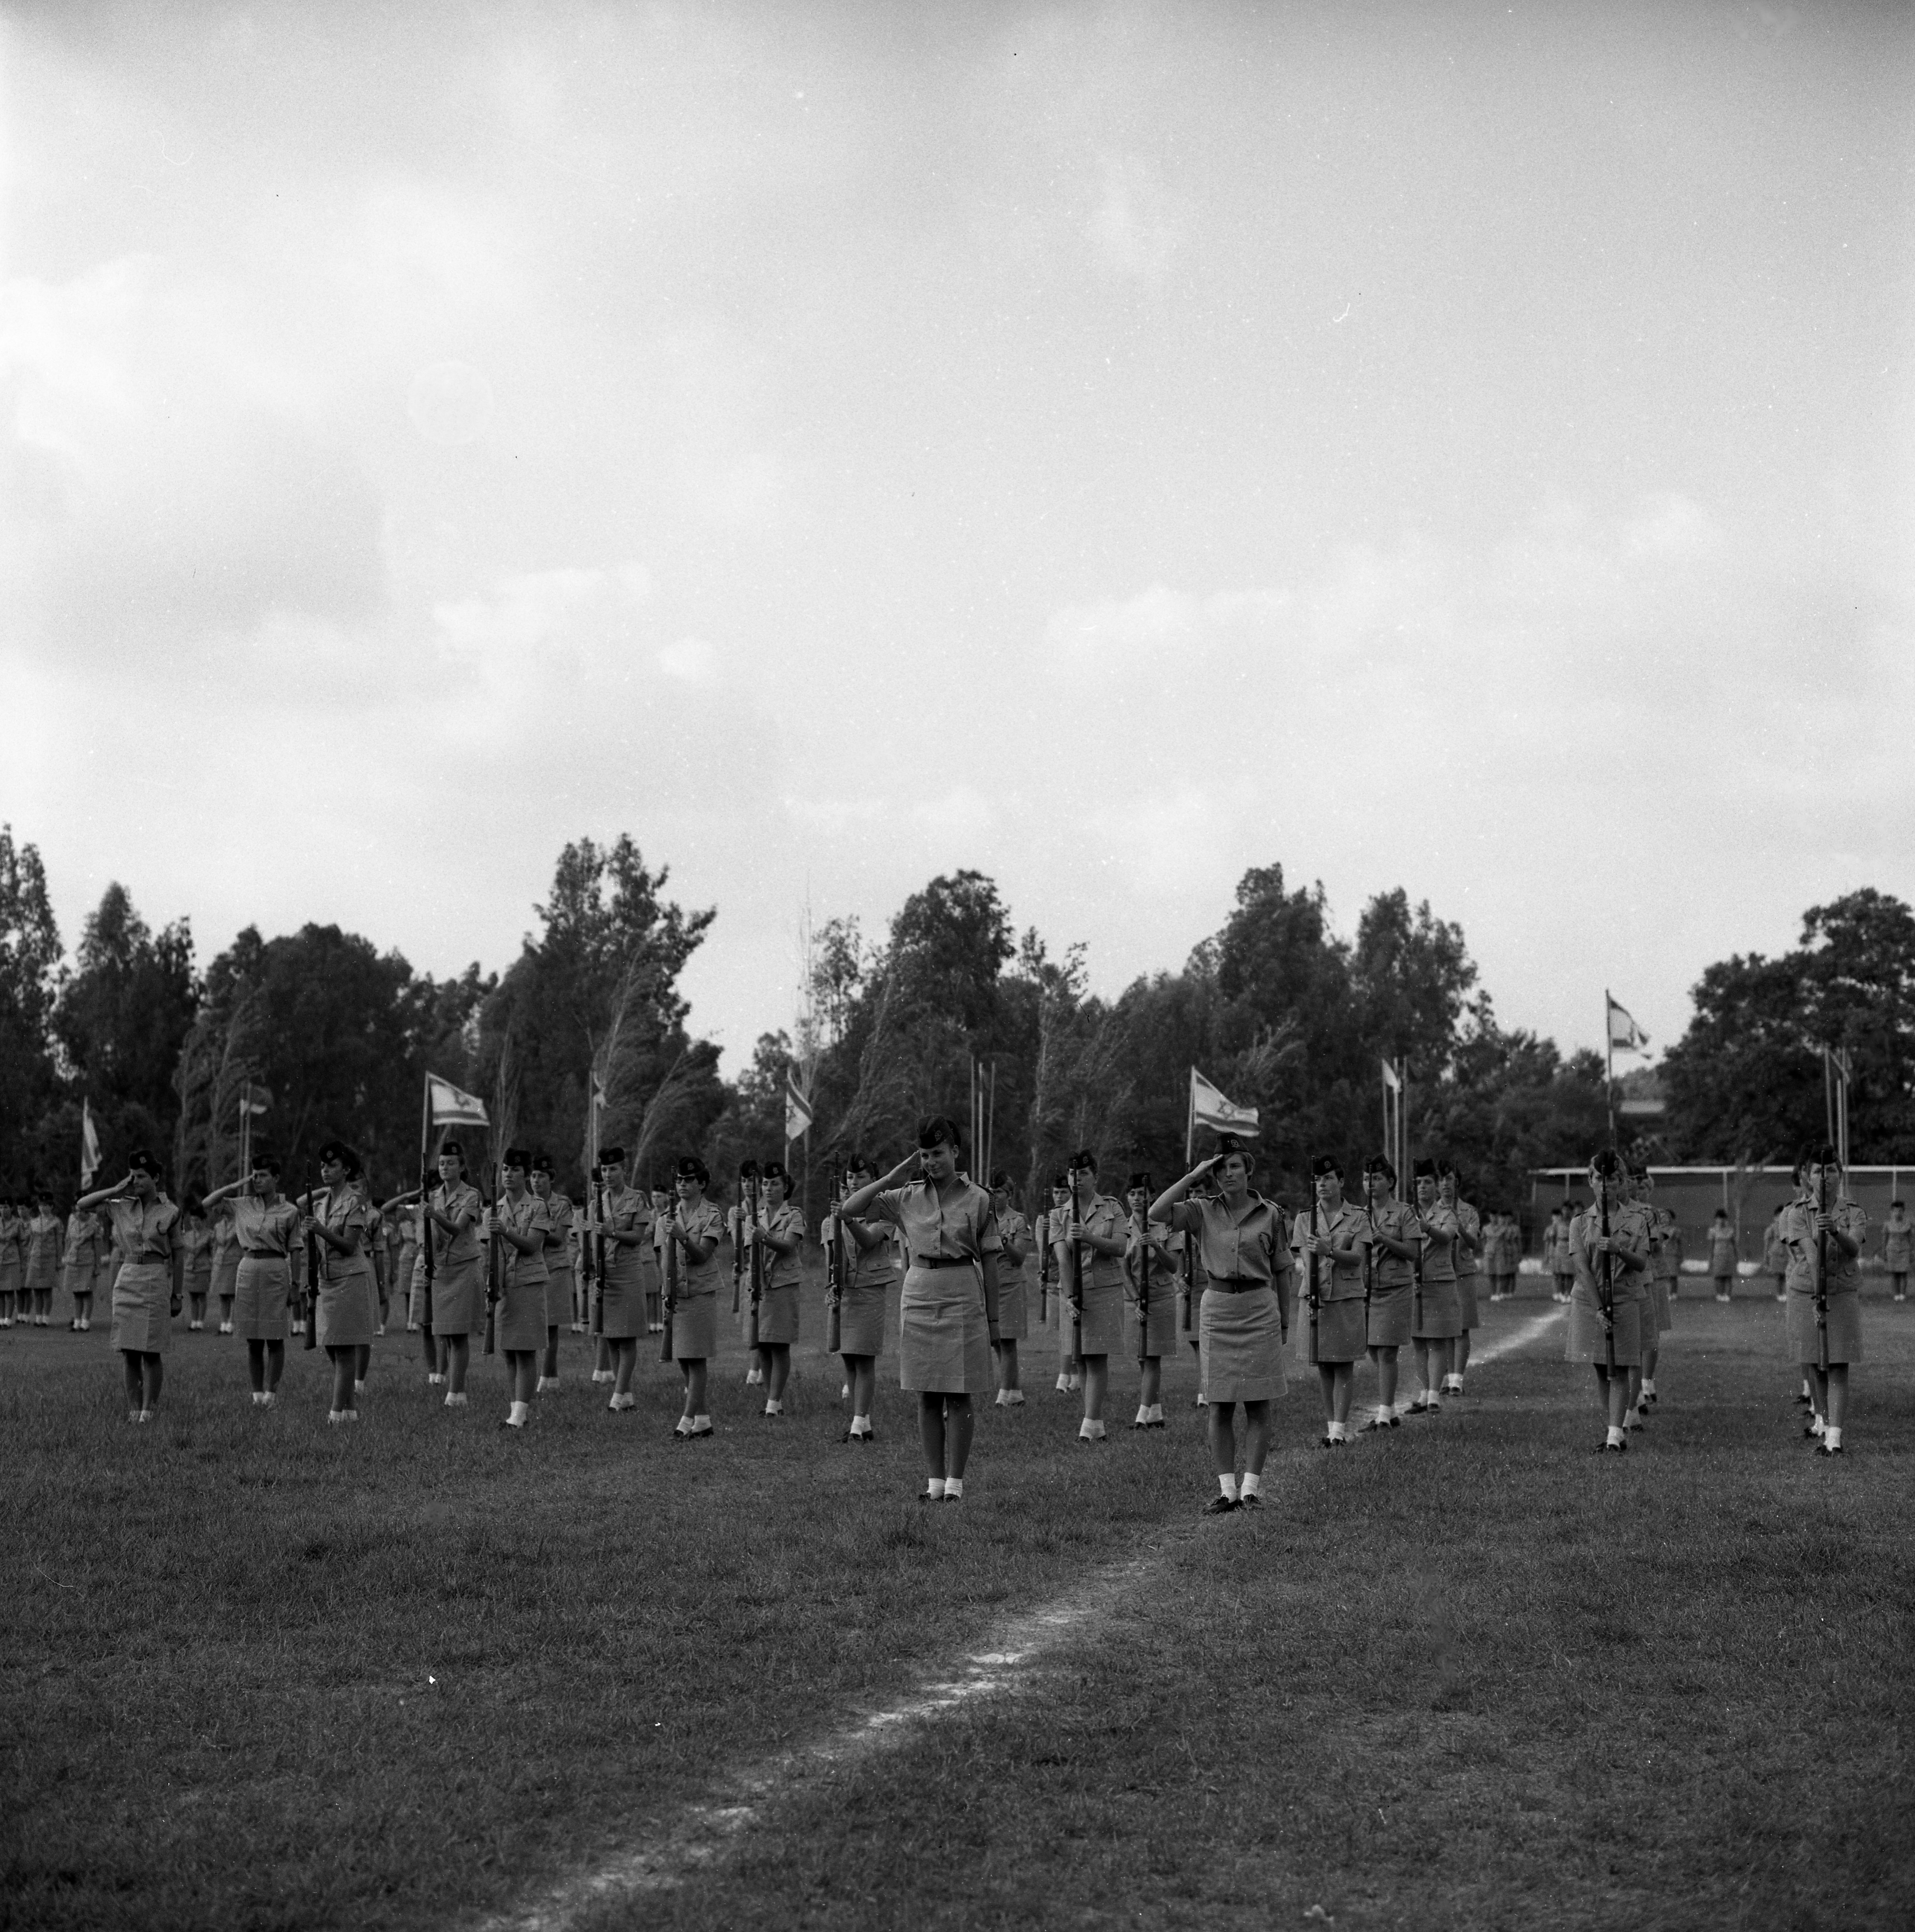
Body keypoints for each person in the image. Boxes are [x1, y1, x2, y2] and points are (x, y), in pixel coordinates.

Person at [840, 1117, 1001, 1502]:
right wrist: (892, 1175)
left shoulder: (978, 1198)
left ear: (956, 1152)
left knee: (959, 1393)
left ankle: (955, 1485)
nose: (932, 1162)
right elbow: (850, 1209)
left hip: (962, 1291)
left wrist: (994, 1321)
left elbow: (992, 1263)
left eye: (938, 1153)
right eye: (925, 1155)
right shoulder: (906, 1197)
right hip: (919, 1294)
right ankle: (933, 1483)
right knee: (926, 1394)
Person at [1151, 1136, 1292, 1515]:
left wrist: (1284, 1321)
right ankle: (1226, 1491)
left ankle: (1251, 1490)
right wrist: (1193, 1173)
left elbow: (1282, 1270)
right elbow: (1156, 1212)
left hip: (1259, 1308)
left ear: (1248, 1170)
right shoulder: (1200, 1210)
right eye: (1219, 1168)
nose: (1227, 1174)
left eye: (1234, 1166)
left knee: (1259, 1404)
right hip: (1217, 1309)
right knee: (1220, 1406)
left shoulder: (1272, 1214)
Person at [75, 1152, 182, 1422]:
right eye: (133, 1175)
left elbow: (179, 1255)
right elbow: (82, 1205)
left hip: (156, 1277)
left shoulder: (170, 1211)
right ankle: (134, 1410)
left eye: (142, 1176)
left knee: (151, 1350)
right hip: (128, 1277)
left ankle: (149, 1410)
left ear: (156, 1178)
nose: (136, 1180)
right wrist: (115, 1188)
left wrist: (177, 1293)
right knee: (130, 1350)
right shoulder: (121, 1205)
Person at [1780, 1144, 1866, 1454]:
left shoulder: (1853, 1211)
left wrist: (1835, 1232)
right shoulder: (1796, 1212)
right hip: (1807, 1292)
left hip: (1842, 1293)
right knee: (1816, 1365)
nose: (1824, 1177)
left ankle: (1834, 1438)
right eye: (1818, 1171)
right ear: (1807, 1176)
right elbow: (1810, 1252)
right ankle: (1825, 1422)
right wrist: (1817, 1294)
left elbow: (1853, 1248)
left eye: (1831, 1170)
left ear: (1840, 1175)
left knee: (1839, 1364)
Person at [1566, 1150, 1650, 1453]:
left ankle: (1616, 1433)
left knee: (1623, 1365)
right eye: (1599, 1178)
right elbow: (1582, 1267)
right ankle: (1612, 1427)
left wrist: (1618, 1250)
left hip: (1625, 1298)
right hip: (1591, 1302)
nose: (1606, 1185)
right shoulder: (1579, 1222)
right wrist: (1599, 1307)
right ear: (1590, 1181)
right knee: (1602, 1367)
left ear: (1621, 1182)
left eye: (1612, 1179)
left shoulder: (1637, 1219)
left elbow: (1641, 1262)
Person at [1293, 1154, 1368, 1445]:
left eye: (1328, 1179)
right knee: (1323, 1363)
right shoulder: (1304, 1217)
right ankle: (1331, 1428)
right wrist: (1312, 1285)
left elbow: (1358, 1258)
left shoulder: (1359, 1216)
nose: (1322, 1184)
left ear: (1341, 1182)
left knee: (1344, 1363)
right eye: (1318, 1180)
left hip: (1345, 1296)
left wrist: (1329, 1251)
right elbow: (1303, 1257)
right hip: (1316, 1297)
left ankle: (1339, 1428)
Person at [300, 1142, 376, 1424]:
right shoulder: (320, 1205)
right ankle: (350, 1410)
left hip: (350, 1278)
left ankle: (335, 1415)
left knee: (344, 1349)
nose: (326, 1170)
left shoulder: (356, 1202)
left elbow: (349, 1244)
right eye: (323, 1166)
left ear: (346, 1170)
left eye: (332, 1166)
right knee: (332, 1346)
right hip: (328, 1280)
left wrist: (320, 1230)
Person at [1058, 1149, 1128, 1445]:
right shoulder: (1059, 1213)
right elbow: (1062, 1257)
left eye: (1084, 1174)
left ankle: (1089, 1422)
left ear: (1095, 1177)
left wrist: (1088, 1237)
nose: (1077, 1179)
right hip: (1076, 1290)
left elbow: (1120, 1247)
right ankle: (1093, 1420)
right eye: (1073, 1174)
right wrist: (1069, 1294)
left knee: (1097, 1356)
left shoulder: (1112, 1207)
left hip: (1104, 1288)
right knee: (1081, 1359)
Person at [828, 1154, 893, 1442]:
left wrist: (848, 1219)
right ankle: (861, 1423)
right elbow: (830, 1258)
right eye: (850, 1178)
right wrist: (829, 1287)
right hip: (845, 1292)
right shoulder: (832, 1217)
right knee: (849, 1359)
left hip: (869, 1288)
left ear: (874, 1181)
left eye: (861, 1177)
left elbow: (869, 1241)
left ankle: (858, 1422)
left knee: (865, 1359)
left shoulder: (884, 1210)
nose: (854, 1183)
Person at [585, 1146, 653, 1413]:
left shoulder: (636, 1199)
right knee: (611, 1336)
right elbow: (592, 1241)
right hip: (605, 1275)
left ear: (623, 1169)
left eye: (613, 1169)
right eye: (604, 1169)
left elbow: (638, 1237)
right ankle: (625, 1396)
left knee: (627, 1338)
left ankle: (617, 1395)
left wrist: (613, 1233)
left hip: (627, 1273)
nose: (608, 1174)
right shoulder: (596, 1204)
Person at [487, 1148, 551, 1429]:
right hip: (506, 1285)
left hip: (528, 1281)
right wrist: (492, 1283)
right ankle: (515, 1411)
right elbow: (492, 1252)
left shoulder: (538, 1206)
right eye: (504, 1170)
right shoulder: (495, 1208)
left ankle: (520, 1414)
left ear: (525, 1174)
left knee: (525, 1350)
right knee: (509, 1351)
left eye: (514, 1170)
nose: (508, 1175)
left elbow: (532, 1245)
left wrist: (505, 1231)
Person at [662, 1155, 725, 1439]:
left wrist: (683, 1237)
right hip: (677, 1294)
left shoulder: (712, 1214)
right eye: (679, 1180)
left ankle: (686, 1420)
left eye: (689, 1180)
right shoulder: (667, 1215)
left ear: (702, 1184)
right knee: (684, 1358)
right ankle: (702, 1419)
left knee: (696, 1357)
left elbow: (702, 1255)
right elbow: (661, 1257)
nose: (683, 1185)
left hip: (700, 1290)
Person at [741, 1160, 804, 1416]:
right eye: (765, 1184)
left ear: (785, 1186)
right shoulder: (753, 1218)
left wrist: (764, 1238)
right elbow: (750, 1252)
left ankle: (775, 1400)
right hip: (759, 1285)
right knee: (763, 1343)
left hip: (783, 1284)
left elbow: (789, 1246)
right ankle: (771, 1400)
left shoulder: (794, 1215)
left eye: (774, 1184)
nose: (768, 1188)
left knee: (780, 1344)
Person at [1359, 1154, 1417, 1431]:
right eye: (1367, 1178)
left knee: (1387, 1352)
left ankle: (1384, 1413)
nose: (1371, 1183)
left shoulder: (1404, 1213)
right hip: (1367, 1289)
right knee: (1372, 1347)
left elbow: (1412, 1252)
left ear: (1391, 1182)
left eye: (1377, 1178)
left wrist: (1383, 1238)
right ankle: (1389, 1410)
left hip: (1395, 1288)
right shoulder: (1360, 1214)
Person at [422, 1141, 482, 1405]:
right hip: (441, 1269)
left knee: (458, 1334)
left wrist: (434, 1215)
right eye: (442, 1163)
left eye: (451, 1163)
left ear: (462, 1167)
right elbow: (433, 1236)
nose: (446, 1168)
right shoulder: (434, 1196)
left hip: (463, 1267)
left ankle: (456, 1392)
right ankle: (453, 1387)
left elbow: (457, 1229)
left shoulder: (471, 1195)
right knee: (446, 1332)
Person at [1406, 1158, 1461, 1414]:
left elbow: (1446, 1236)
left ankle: (1434, 1395)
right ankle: (1423, 1391)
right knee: (1418, 1341)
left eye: (1428, 1182)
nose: (1422, 1187)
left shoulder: (1447, 1213)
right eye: (1418, 1183)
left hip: (1439, 1283)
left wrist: (1426, 1227)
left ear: (1437, 1187)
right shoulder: (1407, 1213)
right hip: (1414, 1283)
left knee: (1436, 1341)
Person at [1122, 1172, 1176, 1429]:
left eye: (1142, 1194)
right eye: (1132, 1194)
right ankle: (1155, 1413)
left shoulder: (1166, 1224)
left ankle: (1141, 1415)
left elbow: (1174, 1265)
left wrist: (1156, 1246)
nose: (1136, 1199)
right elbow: (1122, 1269)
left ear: (1153, 1196)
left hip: (1160, 1297)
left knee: (1152, 1356)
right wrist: (1134, 1299)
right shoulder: (1123, 1227)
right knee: (1141, 1357)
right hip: (1133, 1299)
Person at [529, 1155, 574, 1391]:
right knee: (534, 1325)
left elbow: (558, 1238)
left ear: (551, 1179)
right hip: (532, 1267)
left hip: (555, 1267)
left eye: (542, 1176)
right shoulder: (525, 1203)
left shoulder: (562, 1205)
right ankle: (549, 1377)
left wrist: (535, 1231)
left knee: (551, 1325)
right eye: (534, 1176)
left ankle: (547, 1377)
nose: (537, 1181)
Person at [1635, 1166, 1677, 1414]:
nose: (1638, 1191)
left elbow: (1657, 1244)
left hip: (1655, 1275)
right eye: (1635, 1186)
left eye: (1642, 1187)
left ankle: (1647, 1383)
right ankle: (1637, 1390)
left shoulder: (1657, 1215)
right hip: (1633, 1277)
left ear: (1649, 1190)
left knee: (1652, 1334)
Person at [1437, 1163, 1481, 1397]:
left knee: (1462, 1328)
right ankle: (1444, 1379)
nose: (1446, 1184)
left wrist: (1459, 1226)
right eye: (1442, 1180)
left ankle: (1457, 1381)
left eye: (1450, 1179)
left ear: (1458, 1183)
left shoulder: (1470, 1211)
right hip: (1439, 1274)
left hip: (1462, 1273)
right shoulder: (1431, 1212)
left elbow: (1473, 1243)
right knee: (1443, 1329)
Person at [989, 1171, 1030, 1407]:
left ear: (1010, 1195)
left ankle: (1004, 1395)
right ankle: (1015, 1393)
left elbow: (1020, 1257)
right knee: (997, 1340)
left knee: (1008, 1341)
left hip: (1011, 1285)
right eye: (992, 1192)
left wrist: (1004, 1241)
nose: (995, 1196)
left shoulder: (1018, 1221)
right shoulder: (985, 1219)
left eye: (1000, 1192)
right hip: (991, 1285)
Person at [1044, 1175, 1080, 1395]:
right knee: (1064, 1332)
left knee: (1075, 1332)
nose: (1059, 1197)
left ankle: (1069, 1377)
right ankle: (1066, 1375)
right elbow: (1046, 1252)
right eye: (1056, 1193)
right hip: (1055, 1280)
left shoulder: (1073, 1216)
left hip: (1076, 1277)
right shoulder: (1047, 1219)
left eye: (1063, 1193)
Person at [61, 1197, 108, 1332]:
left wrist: (98, 1266)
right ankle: (77, 1322)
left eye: (81, 1211)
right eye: (76, 1211)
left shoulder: (94, 1225)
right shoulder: (73, 1224)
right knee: (77, 1293)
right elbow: (68, 1242)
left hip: (88, 1262)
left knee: (87, 1293)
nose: (78, 1214)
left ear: (87, 1212)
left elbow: (98, 1247)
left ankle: (86, 1322)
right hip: (74, 1262)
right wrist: (66, 1258)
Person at [24, 1188, 62, 1327]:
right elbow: (31, 1242)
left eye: (46, 1205)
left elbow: (59, 1243)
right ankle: (38, 1317)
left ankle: (46, 1317)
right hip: (35, 1258)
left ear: (52, 1206)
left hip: (49, 1258)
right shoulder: (34, 1222)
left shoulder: (56, 1222)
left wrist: (59, 1261)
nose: (43, 1208)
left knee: (47, 1290)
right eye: (41, 1205)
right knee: (36, 1290)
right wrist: (29, 1258)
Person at [177, 1195, 214, 1332]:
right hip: (190, 1269)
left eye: (197, 1220)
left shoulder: (209, 1234)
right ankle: (193, 1321)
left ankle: (201, 1322)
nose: (194, 1223)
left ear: (202, 1220)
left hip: (203, 1268)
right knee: (192, 1296)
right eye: (192, 1220)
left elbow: (212, 1252)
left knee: (202, 1296)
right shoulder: (187, 1236)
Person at [209, 1194, 240, 1334]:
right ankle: (223, 1323)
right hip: (220, 1262)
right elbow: (215, 1245)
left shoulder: (239, 1223)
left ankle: (232, 1324)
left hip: (234, 1261)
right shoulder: (218, 1226)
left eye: (217, 1207)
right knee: (222, 1294)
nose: (215, 1210)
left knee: (233, 1294)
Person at [1879, 1199, 1909, 1303]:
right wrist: (1884, 1252)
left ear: (1903, 1211)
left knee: (1904, 1273)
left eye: (1900, 1211)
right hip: (1892, 1250)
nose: (1898, 1213)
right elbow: (1885, 1239)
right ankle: (1896, 1295)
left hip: (1905, 1250)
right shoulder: (1887, 1224)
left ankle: (1903, 1295)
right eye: (1896, 1211)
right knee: (1894, 1274)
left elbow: (1912, 1238)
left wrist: (1913, 1251)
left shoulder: (1908, 1224)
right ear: (1892, 1212)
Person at [1706, 1209, 1738, 1303]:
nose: (1721, 1220)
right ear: (1716, 1219)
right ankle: (1719, 1295)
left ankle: (1727, 1295)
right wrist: (1710, 1259)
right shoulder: (1712, 1231)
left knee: (1728, 1277)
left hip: (1729, 1256)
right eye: (1719, 1218)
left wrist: (1737, 1257)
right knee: (1718, 1277)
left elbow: (1734, 1245)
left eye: (1723, 1218)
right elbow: (1711, 1246)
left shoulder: (1731, 1231)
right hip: (1717, 1256)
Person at [1762, 1202, 1790, 1304]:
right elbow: (1767, 1244)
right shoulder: (1772, 1229)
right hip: (1776, 1254)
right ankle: (1779, 1294)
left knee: (1787, 1275)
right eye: (1779, 1217)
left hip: (1787, 1253)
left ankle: (1787, 1294)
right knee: (1779, 1276)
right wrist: (1766, 1257)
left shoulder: (1789, 1228)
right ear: (1775, 1218)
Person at [1548, 1203, 1574, 1303]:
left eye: (1568, 1210)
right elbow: (1553, 1237)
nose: (1566, 1212)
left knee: (1569, 1274)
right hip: (1560, 1247)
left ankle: (1569, 1294)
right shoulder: (1558, 1223)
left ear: (1571, 1211)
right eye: (1564, 1210)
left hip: (1570, 1248)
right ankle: (1562, 1294)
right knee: (1561, 1274)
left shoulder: (1574, 1222)